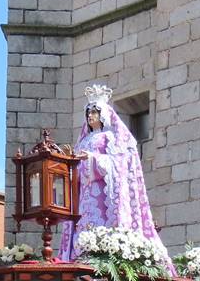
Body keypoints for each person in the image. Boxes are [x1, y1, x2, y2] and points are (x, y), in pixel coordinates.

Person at [56, 84, 172, 269]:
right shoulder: (83, 141)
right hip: (84, 198)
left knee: (103, 228)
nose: (91, 116)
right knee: (83, 231)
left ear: (104, 115)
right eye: (88, 113)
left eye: (95, 112)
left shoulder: (111, 138)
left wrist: (93, 159)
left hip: (104, 197)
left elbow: (120, 165)